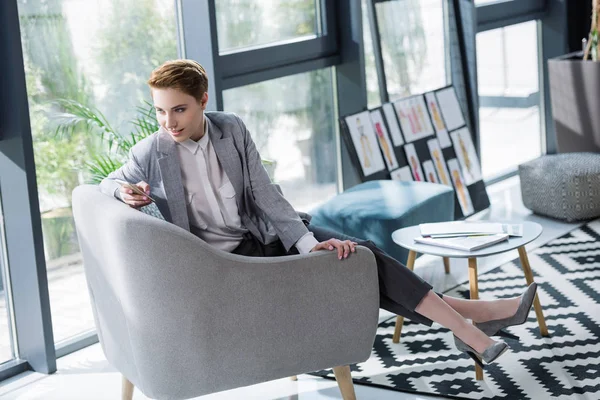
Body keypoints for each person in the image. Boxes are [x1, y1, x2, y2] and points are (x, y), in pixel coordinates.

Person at [100, 59, 538, 367]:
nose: (169, 122)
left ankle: (473, 324)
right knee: (361, 266)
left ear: (202, 101)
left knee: (360, 257)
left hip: (267, 232)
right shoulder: (151, 152)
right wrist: (124, 190)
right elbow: (105, 184)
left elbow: (264, 193)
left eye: (179, 109)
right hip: (229, 260)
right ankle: (475, 324)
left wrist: (309, 243)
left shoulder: (231, 129)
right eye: (160, 110)